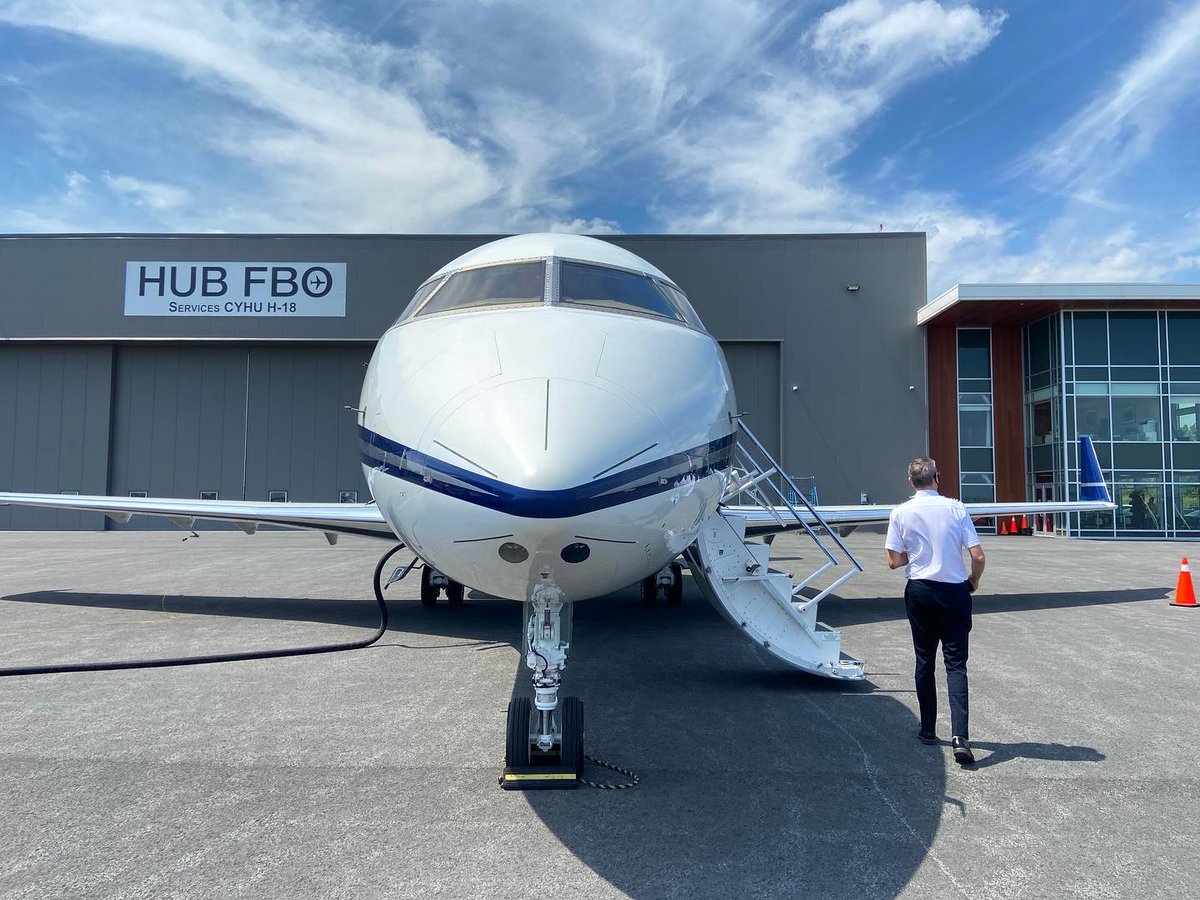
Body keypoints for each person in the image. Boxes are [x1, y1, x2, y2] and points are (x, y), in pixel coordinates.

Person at [885, 457, 986, 765]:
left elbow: (893, 561)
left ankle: (928, 728)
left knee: (924, 659)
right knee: (956, 665)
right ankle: (960, 737)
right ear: (937, 478)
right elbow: (978, 556)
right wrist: (973, 582)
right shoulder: (956, 508)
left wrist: (915, 555)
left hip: (920, 592)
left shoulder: (900, 512)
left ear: (910, 481)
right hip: (954, 592)